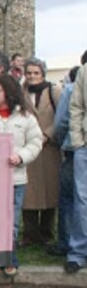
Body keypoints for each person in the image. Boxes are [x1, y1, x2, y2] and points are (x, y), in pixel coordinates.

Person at [0, 75, 42, 278]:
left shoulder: (26, 118)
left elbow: (35, 142)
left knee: (12, 220)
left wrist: (20, 157)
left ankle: (9, 256)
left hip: (15, 179)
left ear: (9, 93)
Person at [21, 58, 61, 247]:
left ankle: (46, 232)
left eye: (36, 73)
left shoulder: (54, 92)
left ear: (43, 74)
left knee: (49, 190)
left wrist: (47, 135)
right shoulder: (20, 94)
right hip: (27, 148)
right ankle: (29, 234)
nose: (32, 76)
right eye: (29, 73)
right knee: (29, 192)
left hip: (48, 148)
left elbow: (61, 117)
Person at [48, 66, 80, 256]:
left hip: (73, 148)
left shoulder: (71, 89)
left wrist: (61, 142)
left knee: (68, 197)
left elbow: (61, 122)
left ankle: (66, 242)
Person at [65, 61, 87, 274]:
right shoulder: (85, 71)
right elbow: (77, 106)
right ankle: (79, 251)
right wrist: (78, 141)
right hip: (85, 146)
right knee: (81, 199)